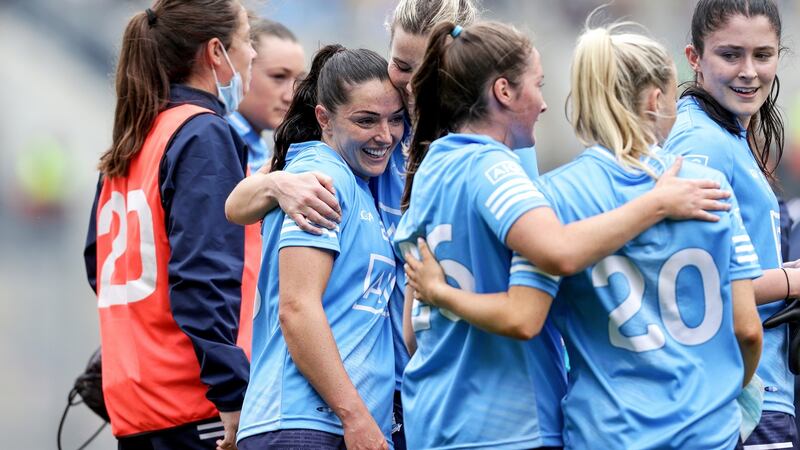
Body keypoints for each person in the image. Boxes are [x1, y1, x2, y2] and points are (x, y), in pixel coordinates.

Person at [402, 22, 764, 450]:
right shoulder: (704, 185)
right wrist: (720, 395)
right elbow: (748, 331)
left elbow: (411, 335)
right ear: (653, 100)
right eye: (538, 85)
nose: (543, 102)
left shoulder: (450, 174)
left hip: (595, 432)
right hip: (523, 427)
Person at [224, 2, 477, 448]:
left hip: (433, 385)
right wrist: (280, 184)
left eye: (428, 70)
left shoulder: (473, 143)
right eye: (402, 65)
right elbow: (236, 205)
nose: (412, 83)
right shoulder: (344, 151)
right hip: (349, 398)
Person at [82, 1, 257, 449]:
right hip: (196, 406)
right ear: (217, 52)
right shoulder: (202, 133)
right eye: (247, 40)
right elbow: (203, 276)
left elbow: (95, 265)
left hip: (136, 407)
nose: (253, 54)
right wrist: (233, 393)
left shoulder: (133, 138)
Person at [236, 44, 404, 450]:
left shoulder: (354, 180)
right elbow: (297, 308)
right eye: (366, 120)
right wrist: (356, 416)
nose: (385, 135)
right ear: (324, 118)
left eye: (395, 119)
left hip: (326, 425)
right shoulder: (320, 178)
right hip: (305, 424)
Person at [662, 1, 798, 446]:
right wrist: (791, 281)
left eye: (762, 55)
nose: (749, 71)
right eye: (730, 54)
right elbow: (694, 288)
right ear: (695, 58)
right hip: (742, 394)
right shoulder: (702, 142)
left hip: (753, 385)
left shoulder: (725, 131)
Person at [227, 17, 305, 173]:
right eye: (279, 76)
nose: (291, 96)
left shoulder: (254, 143)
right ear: (242, 69)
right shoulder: (221, 139)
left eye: (300, 80)